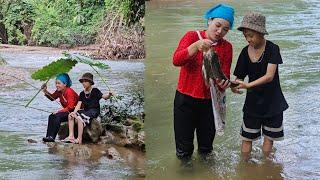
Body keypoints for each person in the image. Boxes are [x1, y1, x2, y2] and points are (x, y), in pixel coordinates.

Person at [172, 4, 234, 160]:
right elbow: (176, 60)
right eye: (217, 25)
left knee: (206, 149)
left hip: (209, 102)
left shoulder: (227, 47)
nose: (220, 31)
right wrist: (195, 46)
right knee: (183, 150)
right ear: (209, 21)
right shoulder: (192, 36)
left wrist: (225, 84)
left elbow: (223, 75)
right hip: (185, 100)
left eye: (225, 29)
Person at [231, 12, 289, 157]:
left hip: (273, 102)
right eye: (245, 36)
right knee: (246, 138)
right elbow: (238, 77)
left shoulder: (272, 49)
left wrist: (248, 85)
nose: (248, 39)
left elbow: (269, 76)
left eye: (251, 35)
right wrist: (234, 85)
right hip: (253, 103)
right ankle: (244, 167)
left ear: (261, 33)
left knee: (269, 139)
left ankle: (265, 168)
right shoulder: (245, 52)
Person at [62, 73, 112, 144]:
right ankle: (71, 136)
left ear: (90, 82)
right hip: (86, 111)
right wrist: (74, 112)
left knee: (79, 118)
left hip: (94, 111)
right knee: (70, 115)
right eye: (83, 81)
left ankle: (79, 139)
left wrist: (109, 94)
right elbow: (78, 105)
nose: (83, 83)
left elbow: (104, 97)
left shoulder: (95, 91)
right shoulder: (82, 93)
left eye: (85, 81)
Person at [42, 73, 79, 142]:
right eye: (56, 83)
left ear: (65, 84)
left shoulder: (69, 91)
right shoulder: (59, 91)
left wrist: (58, 112)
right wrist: (45, 90)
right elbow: (52, 98)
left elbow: (71, 107)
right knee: (51, 116)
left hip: (75, 111)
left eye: (59, 83)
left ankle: (52, 137)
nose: (57, 85)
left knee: (57, 117)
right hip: (68, 111)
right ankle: (48, 136)